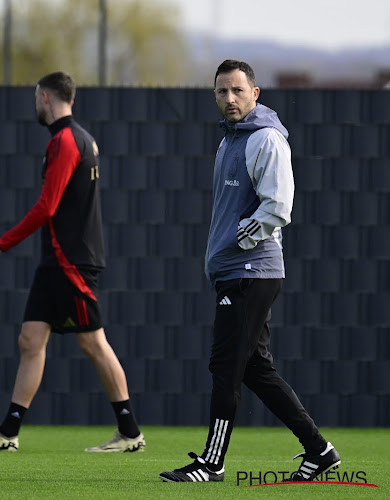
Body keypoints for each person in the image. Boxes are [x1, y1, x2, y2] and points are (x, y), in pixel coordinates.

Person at [160, 60, 338, 482]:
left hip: (251, 271)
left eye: (238, 91)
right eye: (222, 92)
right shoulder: (228, 141)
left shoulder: (266, 139)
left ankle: (212, 463)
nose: (229, 99)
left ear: (255, 93)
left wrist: (243, 239)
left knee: (225, 366)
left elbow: (279, 205)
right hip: (235, 271)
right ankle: (319, 450)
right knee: (254, 368)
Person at [0, 71, 145, 453]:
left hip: (70, 261)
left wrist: (1, 244)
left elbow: (48, 206)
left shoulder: (65, 141)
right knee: (30, 340)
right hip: (57, 260)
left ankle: (130, 433)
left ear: (45, 97)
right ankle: (8, 433)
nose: (35, 105)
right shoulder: (84, 139)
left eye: (34, 98)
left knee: (92, 343)